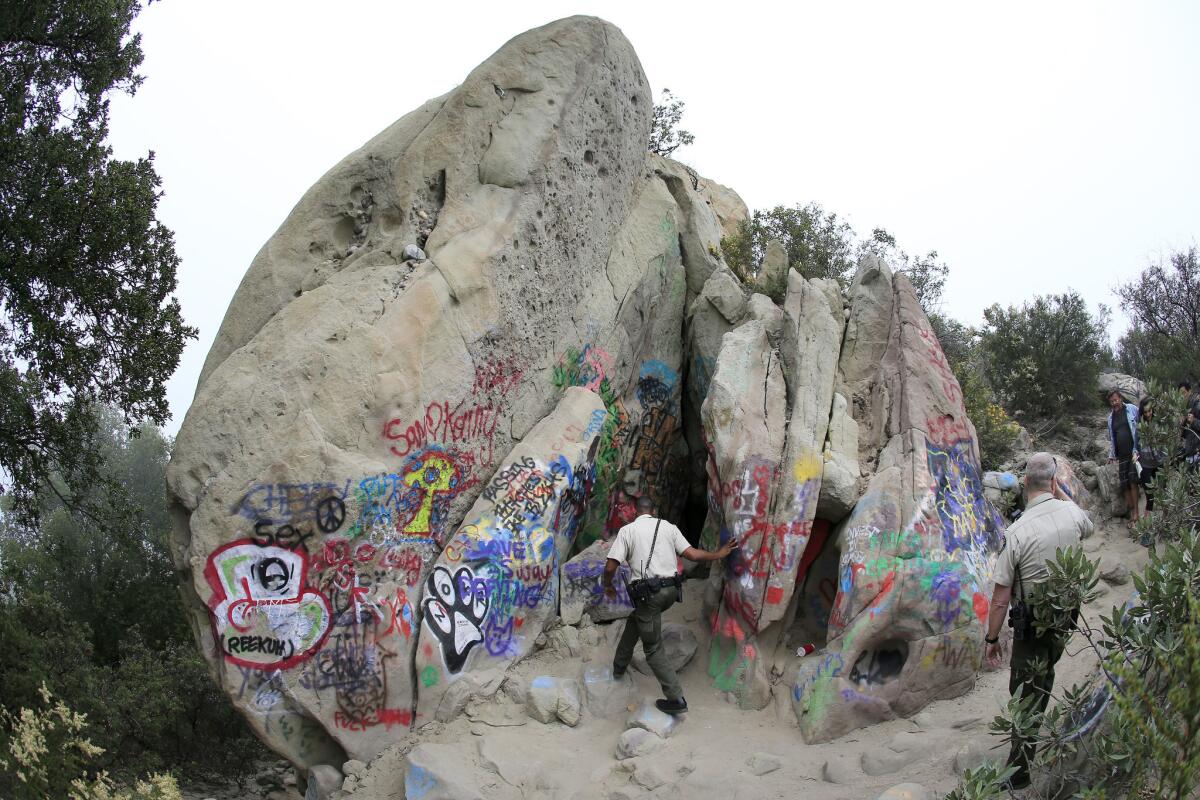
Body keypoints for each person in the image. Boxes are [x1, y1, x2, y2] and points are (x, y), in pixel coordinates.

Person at [984, 452, 1094, 790]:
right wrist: (1059, 492)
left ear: (1026, 483)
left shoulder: (1017, 532)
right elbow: (1087, 527)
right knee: (1045, 669)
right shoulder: (1072, 513)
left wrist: (990, 641)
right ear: (1054, 481)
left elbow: (1001, 597)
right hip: (1067, 612)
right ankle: (1032, 737)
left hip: (1033, 618)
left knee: (1024, 687)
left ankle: (1019, 771)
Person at [602, 495, 736, 715]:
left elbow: (609, 567)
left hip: (649, 596)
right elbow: (692, 554)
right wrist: (719, 554)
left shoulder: (628, 531)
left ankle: (676, 698)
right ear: (653, 511)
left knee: (653, 648)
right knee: (638, 618)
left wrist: (608, 586)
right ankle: (619, 665)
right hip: (671, 591)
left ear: (636, 511)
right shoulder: (668, 527)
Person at [1106, 389, 1140, 528]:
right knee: (1124, 483)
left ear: (1120, 398)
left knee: (1133, 480)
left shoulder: (1131, 409)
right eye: (1112, 401)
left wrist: (1139, 448)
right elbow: (1112, 438)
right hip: (1121, 455)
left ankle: (1137, 513)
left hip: (1133, 452)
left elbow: (1141, 424)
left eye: (1116, 400)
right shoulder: (1110, 418)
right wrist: (1111, 455)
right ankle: (1132, 513)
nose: (1114, 403)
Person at [1137, 397, 1165, 520]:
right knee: (1150, 497)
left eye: (1150, 411)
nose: (1148, 414)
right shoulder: (1139, 425)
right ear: (1142, 413)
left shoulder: (1159, 422)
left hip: (1160, 462)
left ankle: (1167, 523)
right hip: (1146, 465)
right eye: (1145, 412)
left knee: (1164, 494)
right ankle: (1147, 530)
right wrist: (1134, 453)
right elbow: (1135, 444)